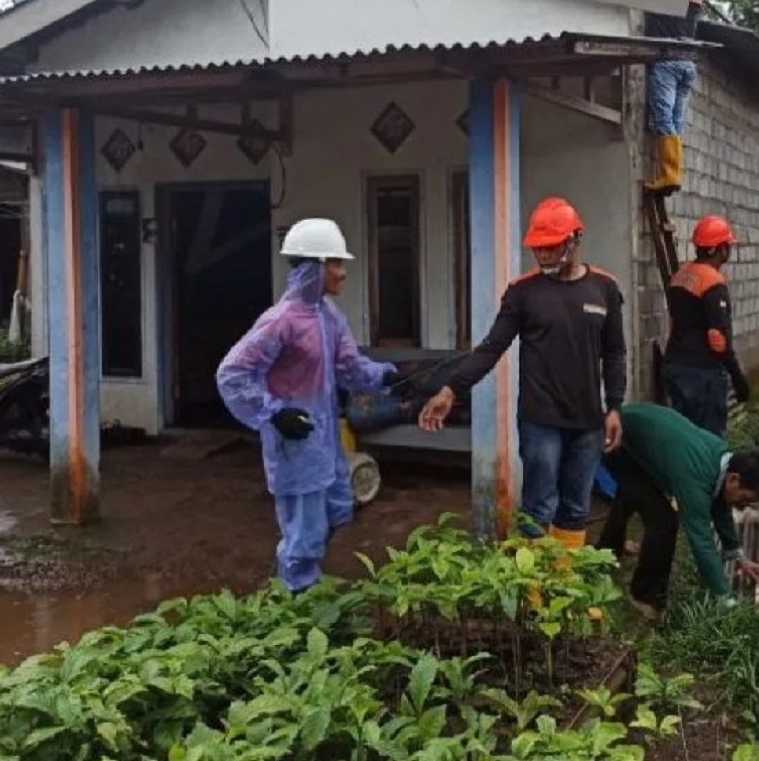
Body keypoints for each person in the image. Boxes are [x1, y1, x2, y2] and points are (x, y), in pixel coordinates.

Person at [418, 197, 627, 552]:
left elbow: (615, 352)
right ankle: (532, 586)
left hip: (588, 421)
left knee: (576, 509)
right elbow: (491, 347)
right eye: (537, 248)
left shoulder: (604, 287)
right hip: (540, 420)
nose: (542, 254)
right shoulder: (523, 292)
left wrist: (615, 406)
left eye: (551, 247)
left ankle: (564, 582)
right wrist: (451, 389)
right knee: (538, 509)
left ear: (574, 240)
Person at [215, 218, 401, 594]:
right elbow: (233, 374)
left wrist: (389, 376)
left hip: (325, 441)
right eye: (335, 262)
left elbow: (350, 368)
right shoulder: (280, 322)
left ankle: (289, 576)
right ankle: (297, 601)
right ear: (313, 267)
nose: (342, 273)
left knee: (333, 513)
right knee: (304, 529)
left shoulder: (329, 317)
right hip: (295, 444)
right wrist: (274, 413)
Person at [598, 402, 759, 618]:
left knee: (635, 493)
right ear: (733, 478)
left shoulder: (722, 458)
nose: (744, 505)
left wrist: (737, 555)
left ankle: (605, 550)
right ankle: (645, 595)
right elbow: (702, 542)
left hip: (636, 435)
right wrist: (726, 598)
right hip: (617, 441)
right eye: (746, 498)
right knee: (663, 520)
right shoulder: (695, 479)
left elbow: (720, 505)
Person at [662, 215, 750, 436]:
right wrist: (738, 379)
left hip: (675, 366)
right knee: (708, 439)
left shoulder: (680, 276)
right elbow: (719, 339)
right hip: (702, 374)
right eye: (727, 245)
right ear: (720, 249)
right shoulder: (712, 283)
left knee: (683, 436)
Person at [643, 0, 706, 195]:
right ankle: (674, 173)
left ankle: (669, 174)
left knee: (664, 117)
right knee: (677, 120)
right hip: (688, 62)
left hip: (667, 61)